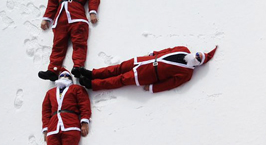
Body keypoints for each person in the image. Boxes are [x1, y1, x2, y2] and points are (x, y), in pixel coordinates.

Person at [38, 0, 100, 81]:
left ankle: (78, 67)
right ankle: (53, 70)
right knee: (58, 46)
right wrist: (46, 19)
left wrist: (92, 12)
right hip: (60, 20)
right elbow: (52, 3)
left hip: (77, 19)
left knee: (79, 44)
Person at [73, 46, 216, 92]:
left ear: (198, 64)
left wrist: (153, 88)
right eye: (197, 55)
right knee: (118, 68)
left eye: (198, 59)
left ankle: (92, 84)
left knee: (120, 79)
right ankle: (91, 73)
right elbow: (169, 50)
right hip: (144, 61)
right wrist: (154, 54)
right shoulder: (184, 49)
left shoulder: (187, 73)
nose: (195, 57)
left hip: (147, 75)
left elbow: (170, 84)